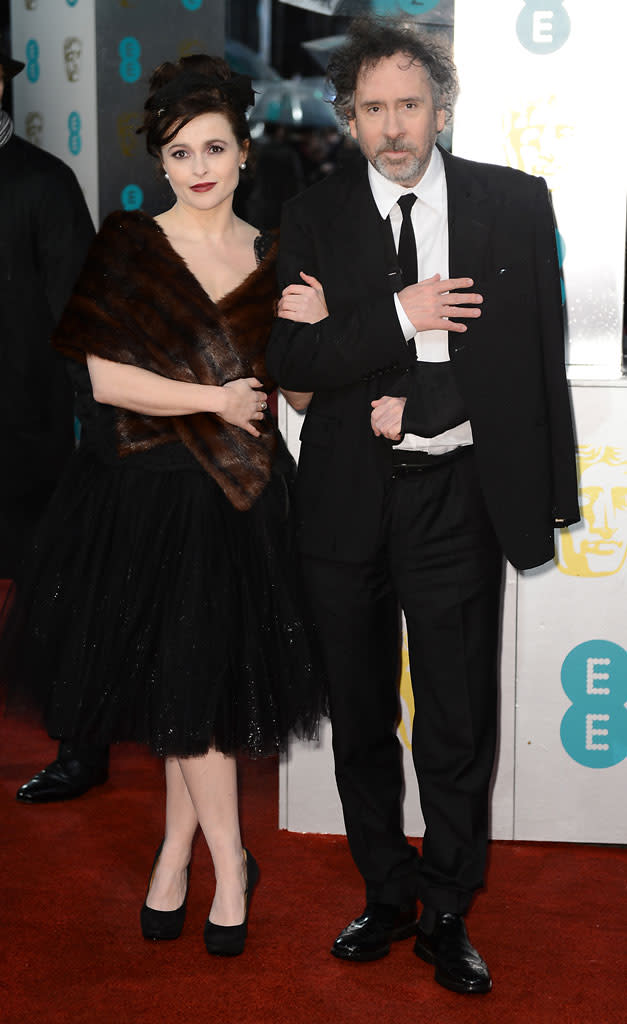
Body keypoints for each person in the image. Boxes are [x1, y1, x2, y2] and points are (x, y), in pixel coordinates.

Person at [267, 17, 579, 994]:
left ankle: (447, 909)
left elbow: (526, 366)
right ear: (347, 115)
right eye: (372, 108)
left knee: (454, 719)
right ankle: (386, 891)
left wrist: (419, 396)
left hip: (455, 499)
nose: (393, 126)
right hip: (342, 504)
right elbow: (293, 362)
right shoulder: (312, 214)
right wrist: (399, 316)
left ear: (440, 106)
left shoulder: (510, 205)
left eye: (409, 104)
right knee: (360, 717)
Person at [2, 54, 323, 956]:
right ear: (162, 163)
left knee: (199, 698)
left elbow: (291, 399)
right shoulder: (129, 244)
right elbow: (104, 377)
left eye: (213, 147)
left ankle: (174, 851)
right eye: (180, 153)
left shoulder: (272, 258)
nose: (199, 167)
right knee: (186, 691)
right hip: (144, 501)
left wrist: (314, 331)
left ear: (245, 150)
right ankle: (229, 861)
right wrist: (213, 401)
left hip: (243, 503)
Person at [0, 47, 104, 803]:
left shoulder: (42, 183)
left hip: (30, 436)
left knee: (58, 596)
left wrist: (95, 434)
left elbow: (83, 320)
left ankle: (82, 746)